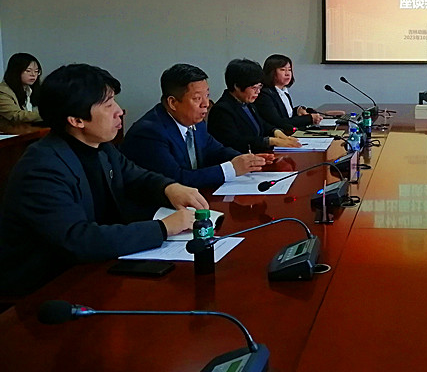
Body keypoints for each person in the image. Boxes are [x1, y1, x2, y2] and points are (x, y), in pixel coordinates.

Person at [0, 64, 208, 297]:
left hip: (96, 269)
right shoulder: (42, 168)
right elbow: (78, 239)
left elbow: (135, 176)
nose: (119, 111)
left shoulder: (101, 148)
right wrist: (164, 227)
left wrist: (170, 188)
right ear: (76, 120)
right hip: (47, 288)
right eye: (108, 105)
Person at [122, 64, 269, 189]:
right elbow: (176, 180)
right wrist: (231, 169)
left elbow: (215, 150)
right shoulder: (149, 132)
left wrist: (247, 160)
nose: (206, 104)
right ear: (173, 103)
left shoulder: (196, 123)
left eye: (207, 95)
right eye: (197, 98)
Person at [207, 58, 301, 153]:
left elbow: (261, 124)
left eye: (260, 87)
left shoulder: (247, 104)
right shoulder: (222, 110)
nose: (258, 92)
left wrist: (275, 131)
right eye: (254, 88)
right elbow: (234, 141)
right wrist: (270, 141)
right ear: (237, 86)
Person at [254, 54, 323, 134]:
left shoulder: (283, 91)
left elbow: (286, 115)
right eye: (283, 70)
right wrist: (309, 118)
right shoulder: (264, 95)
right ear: (271, 72)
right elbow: (278, 122)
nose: (287, 73)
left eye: (289, 70)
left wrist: (297, 111)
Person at [0, 52, 43, 132]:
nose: (33, 74)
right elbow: (16, 115)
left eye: (36, 71)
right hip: (10, 135)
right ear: (16, 71)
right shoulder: (2, 92)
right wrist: (46, 115)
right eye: (28, 71)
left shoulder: (30, 89)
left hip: (28, 132)